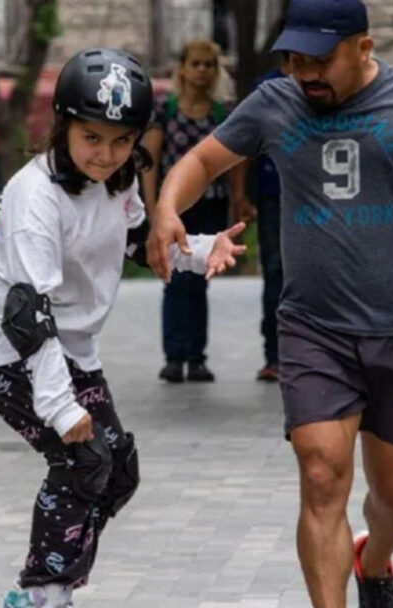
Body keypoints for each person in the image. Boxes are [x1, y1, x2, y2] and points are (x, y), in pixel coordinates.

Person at [145, 0, 393, 608]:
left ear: (364, 46)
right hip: (312, 326)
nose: (304, 73)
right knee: (321, 474)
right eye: (294, 59)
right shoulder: (274, 103)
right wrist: (167, 209)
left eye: (319, 60)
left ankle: (374, 562)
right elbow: (201, 161)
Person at [0, 49, 245, 608]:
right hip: (2, 337)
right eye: (91, 137)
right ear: (61, 125)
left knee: (117, 471)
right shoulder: (37, 196)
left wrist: (200, 248)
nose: (105, 153)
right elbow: (27, 312)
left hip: (65, 336)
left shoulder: (117, 180)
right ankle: (40, 599)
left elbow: (139, 239)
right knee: (82, 460)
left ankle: (43, 596)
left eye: (120, 141)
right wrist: (61, 408)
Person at [142, 40, 249, 383]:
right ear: (183, 68)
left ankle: (197, 356)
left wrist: (238, 200)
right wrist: (153, 208)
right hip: (174, 207)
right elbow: (150, 162)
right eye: (196, 64)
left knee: (201, 279)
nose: (202, 71)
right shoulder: (165, 110)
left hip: (212, 202)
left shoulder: (223, 112)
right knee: (173, 278)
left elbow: (234, 165)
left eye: (208, 65)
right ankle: (174, 355)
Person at [240, 61, 290, 383]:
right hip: (272, 194)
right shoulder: (267, 89)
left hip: (317, 195)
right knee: (275, 271)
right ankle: (274, 355)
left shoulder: (329, 83)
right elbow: (242, 145)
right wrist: (240, 196)